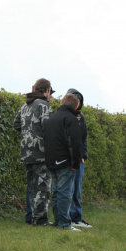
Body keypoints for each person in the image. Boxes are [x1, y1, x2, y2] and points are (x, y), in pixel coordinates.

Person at [13, 79, 54, 226]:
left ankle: (32, 218)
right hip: (41, 153)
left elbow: (16, 124)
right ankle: (41, 220)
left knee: (32, 188)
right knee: (43, 188)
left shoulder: (25, 105)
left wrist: (27, 133)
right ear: (47, 90)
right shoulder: (44, 105)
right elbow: (49, 128)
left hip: (26, 152)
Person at [44, 93, 82, 231]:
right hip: (65, 161)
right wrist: (75, 163)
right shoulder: (71, 119)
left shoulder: (51, 117)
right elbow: (75, 143)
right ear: (76, 105)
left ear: (62, 102)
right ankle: (65, 224)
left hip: (50, 160)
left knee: (57, 192)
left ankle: (58, 221)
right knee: (65, 192)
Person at [67, 88, 92, 228]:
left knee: (77, 191)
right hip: (67, 158)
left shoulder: (81, 118)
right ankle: (68, 217)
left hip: (79, 159)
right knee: (67, 190)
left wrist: (84, 156)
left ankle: (77, 217)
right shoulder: (63, 116)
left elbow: (84, 138)